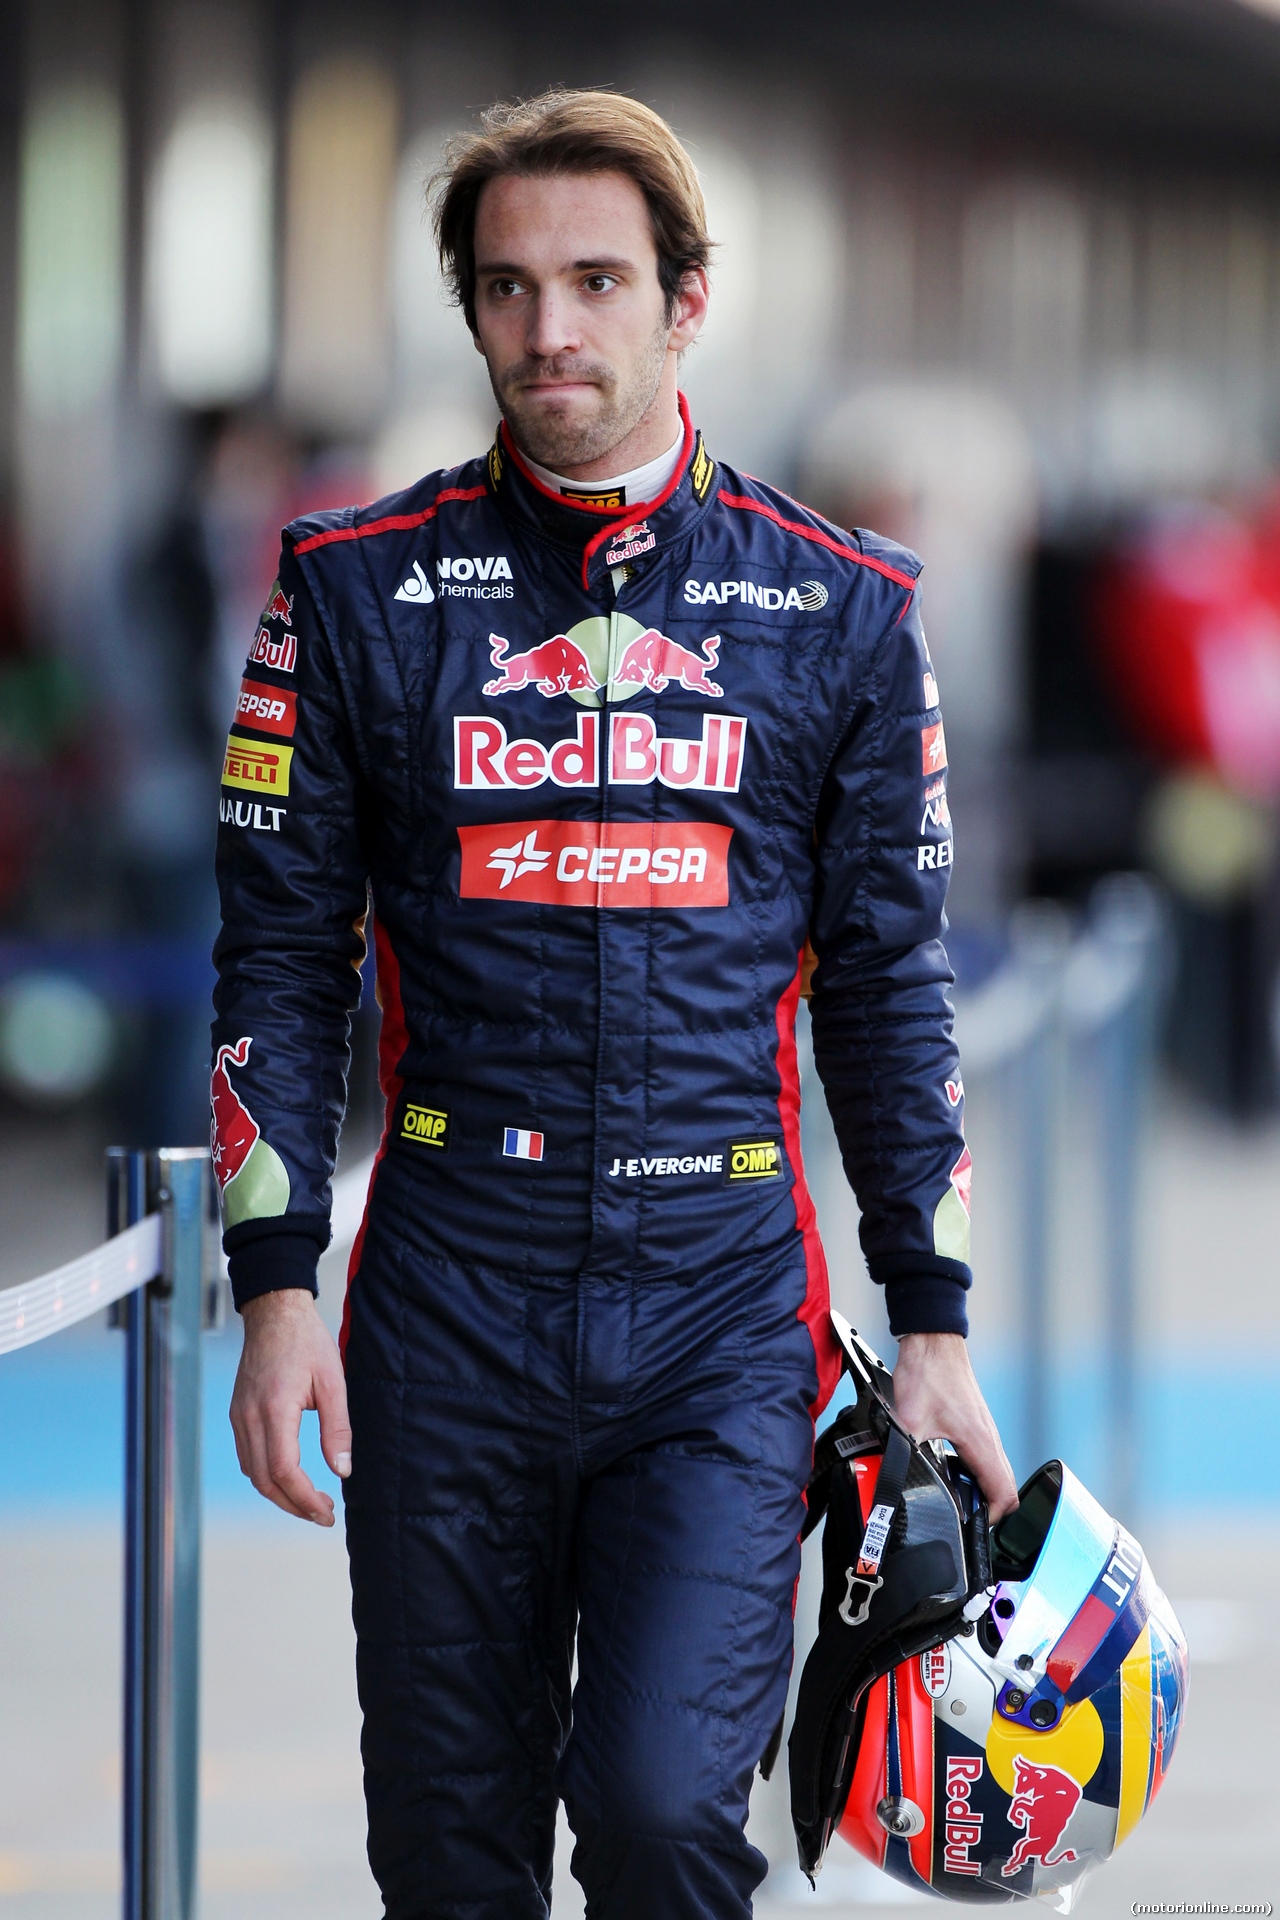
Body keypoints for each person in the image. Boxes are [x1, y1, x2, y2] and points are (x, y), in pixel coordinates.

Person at [214, 88, 1017, 1920]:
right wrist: (275, 1296)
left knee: (661, 1810)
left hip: (727, 1312)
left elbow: (893, 984)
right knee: (447, 1853)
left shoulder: (845, 609)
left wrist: (936, 1319)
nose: (548, 330)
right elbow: (276, 949)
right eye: (506, 289)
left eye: (593, 280)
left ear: (686, 298)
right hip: (445, 1295)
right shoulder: (350, 594)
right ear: (470, 309)